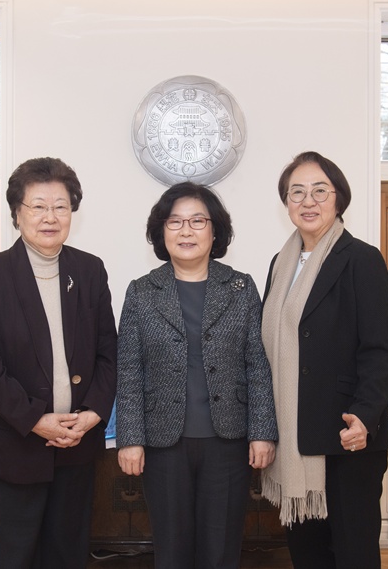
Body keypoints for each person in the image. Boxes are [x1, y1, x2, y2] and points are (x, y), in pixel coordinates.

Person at [0, 157, 117, 568]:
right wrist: (35, 419)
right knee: (15, 558)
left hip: (76, 445)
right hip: (14, 446)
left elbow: (108, 352)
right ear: (17, 213)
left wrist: (93, 414)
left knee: (67, 556)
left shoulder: (89, 270)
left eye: (61, 206)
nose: (50, 217)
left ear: (72, 212)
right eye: (38, 206)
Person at [116, 182, 277, 569]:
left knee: (221, 551)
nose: (186, 231)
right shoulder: (141, 292)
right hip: (163, 444)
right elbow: (129, 369)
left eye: (197, 221)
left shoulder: (240, 287)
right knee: (171, 551)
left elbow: (257, 363)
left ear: (215, 231)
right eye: (175, 222)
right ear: (161, 232)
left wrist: (262, 431)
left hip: (228, 442)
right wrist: (130, 439)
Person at [261, 151, 388, 569]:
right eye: (296, 192)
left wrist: (365, 415)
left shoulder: (362, 259)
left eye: (320, 190)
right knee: (308, 553)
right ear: (286, 203)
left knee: (353, 552)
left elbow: (377, 348)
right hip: (293, 433)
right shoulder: (279, 264)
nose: (307, 200)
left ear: (339, 199)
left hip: (345, 434)